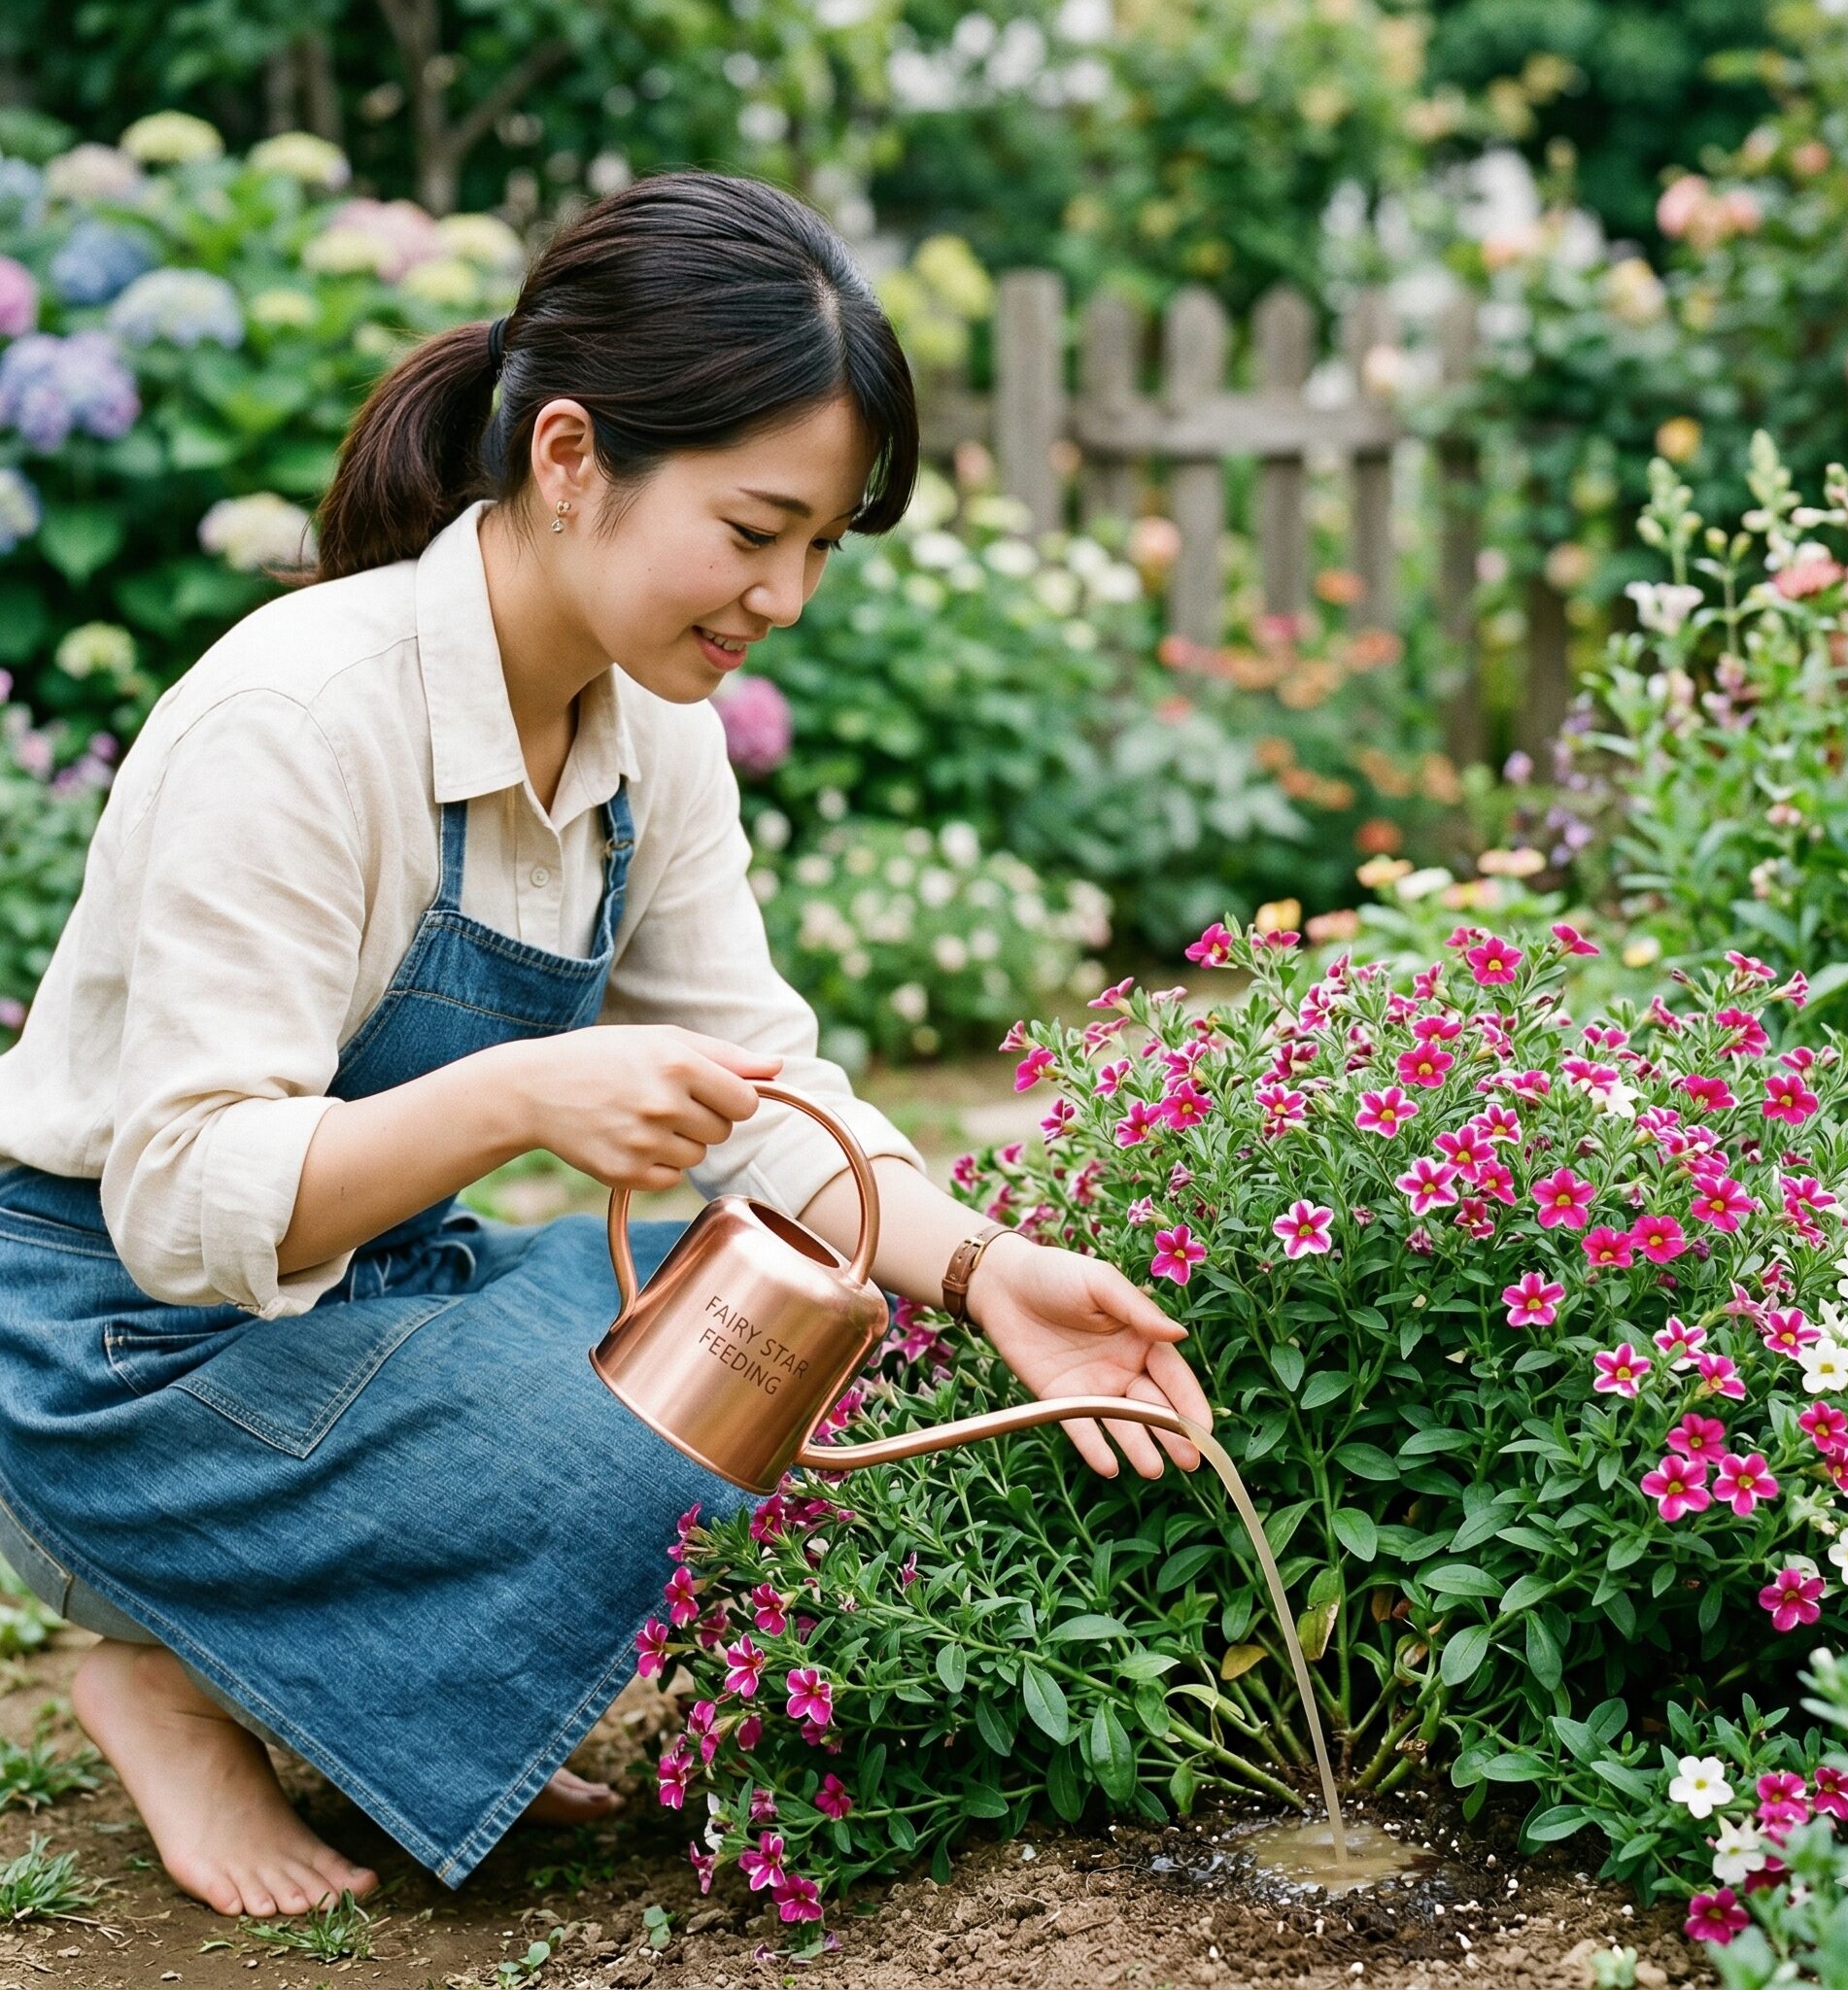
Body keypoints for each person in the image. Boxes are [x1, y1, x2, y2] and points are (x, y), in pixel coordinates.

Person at [0, 169, 1211, 1920]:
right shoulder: (298, 720)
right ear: (570, 456)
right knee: (645, 1428)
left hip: (359, 1305)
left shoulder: (654, 732)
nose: (786, 593)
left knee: (785, 1347)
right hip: (111, 1351)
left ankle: (319, 1676)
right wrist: (513, 1095)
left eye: (819, 547)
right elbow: (179, 1202)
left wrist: (990, 1269)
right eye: (753, 528)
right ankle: (160, 1665)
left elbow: (764, 1089)